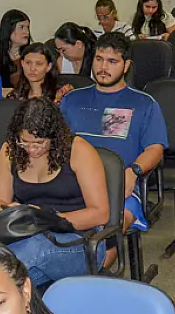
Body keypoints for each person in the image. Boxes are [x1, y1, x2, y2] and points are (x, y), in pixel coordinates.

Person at [0, 98, 110, 287]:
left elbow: (100, 213)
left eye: (38, 143)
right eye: (24, 142)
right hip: (29, 237)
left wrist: (48, 219)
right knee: (10, 285)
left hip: (80, 241)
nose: (31, 149)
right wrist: (7, 214)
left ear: (54, 137)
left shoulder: (79, 150)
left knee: (29, 252)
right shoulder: (10, 150)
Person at [60, 32, 166, 234]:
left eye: (112, 61)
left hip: (120, 186)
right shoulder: (72, 100)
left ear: (126, 66)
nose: (103, 68)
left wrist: (133, 171)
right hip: (72, 185)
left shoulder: (143, 103)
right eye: (99, 59)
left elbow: (155, 148)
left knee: (105, 235)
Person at [0, 9, 31, 89]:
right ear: (8, 29)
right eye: (21, 27)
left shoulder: (31, 54)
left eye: (27, 27)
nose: (26, 32)